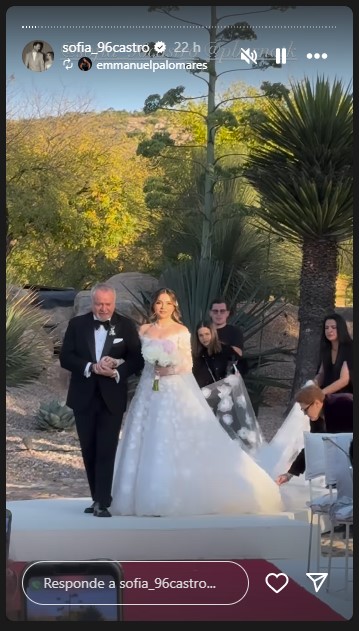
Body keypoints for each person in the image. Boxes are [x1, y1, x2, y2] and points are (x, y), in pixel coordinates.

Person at [110, 288, 283, 517]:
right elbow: (134, 357)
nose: (162, 307)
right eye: (159, 302)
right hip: (147, 389)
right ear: (154, 305)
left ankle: (169, 496)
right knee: (143, 436)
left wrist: (168, 368)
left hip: (172, 389)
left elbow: (187, 364)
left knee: (169, 436)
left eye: (167, 303)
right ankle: (138, 496)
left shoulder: (181, 331)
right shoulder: (144, 330)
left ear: (174, 306)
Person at [59, 283, 144, 517]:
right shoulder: (77, 324)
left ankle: (103, 502)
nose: (103, 308)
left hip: (112, 397)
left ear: (114, 304)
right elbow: (66, 357)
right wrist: (90, 366)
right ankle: (96, 496)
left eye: (108, 304)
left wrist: (117, 369)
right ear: (92, 303)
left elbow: (137, 359)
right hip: (82, 396)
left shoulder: (125, 325)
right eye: (99, 304)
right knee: (89, 449)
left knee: (107, 448)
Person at [275, 384, 353, 485]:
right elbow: (312, 446)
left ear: (316, 403)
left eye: (305, 409)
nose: (304, 413)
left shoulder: (341, 403)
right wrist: (290, 473)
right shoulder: (316, 418)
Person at [314, 313, 353, 395]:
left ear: (341, 329)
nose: (329, 331)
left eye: (333, 327)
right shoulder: (326, 348)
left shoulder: (350, 348)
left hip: (347, 397)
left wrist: (321, 393)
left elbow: (344, 380)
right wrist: (312, 386)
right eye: (326, 328)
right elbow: (321, 374)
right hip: (328, 395)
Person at [192, 320, 238, 388]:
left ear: (212, 333)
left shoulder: (225, 350)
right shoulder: (197, 355)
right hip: (208, 395)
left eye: (207, 334)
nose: (204, 338)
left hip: (227, 391)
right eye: (201, 335)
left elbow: (237, 366)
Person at [209, 297, 247, 375]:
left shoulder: (235, 332)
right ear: (210, 313)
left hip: (227, 377)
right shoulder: (203, 331)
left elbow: (237, 353)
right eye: (215, 311)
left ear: (227, 313)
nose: (219, 314)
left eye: (222, 311)